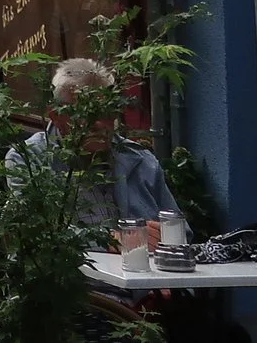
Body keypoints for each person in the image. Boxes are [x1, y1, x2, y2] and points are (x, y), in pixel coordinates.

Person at [12, 57, 180, 229]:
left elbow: (182, 234)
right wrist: (115, 241)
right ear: (57, 116)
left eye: (106, 112)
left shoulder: (141, 161)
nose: (99, 123)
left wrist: (167, 238)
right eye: (87, 113)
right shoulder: (29, 159)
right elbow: (34, 236)